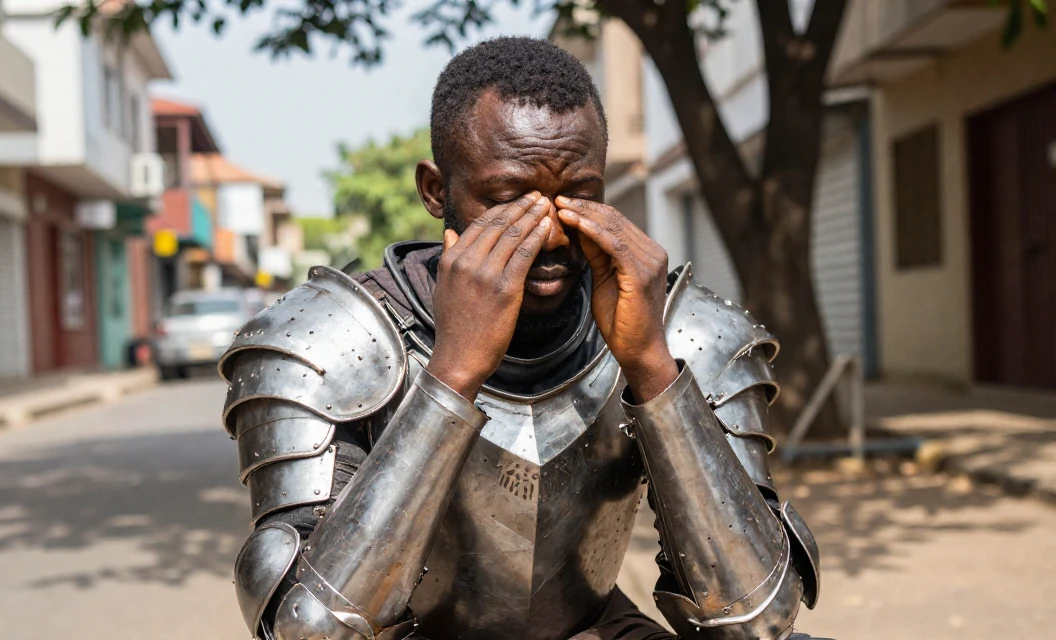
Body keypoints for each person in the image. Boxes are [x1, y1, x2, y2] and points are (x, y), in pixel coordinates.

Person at [219, 37, 821, 640]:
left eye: (579, 198)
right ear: (436, 191)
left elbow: (757, 620)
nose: (553, 235)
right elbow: (310, 630)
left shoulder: (684, 327)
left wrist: (652, 367)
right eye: (509, 201)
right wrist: (452, 374)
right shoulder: (326, 341)